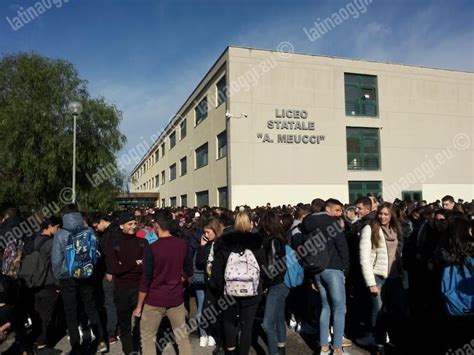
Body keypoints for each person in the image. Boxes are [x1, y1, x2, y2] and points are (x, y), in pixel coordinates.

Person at [134, 210, 193, 355]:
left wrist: (139, 306)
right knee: (182, 338)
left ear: (156, 226)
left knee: (148, 339)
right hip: (176, 298)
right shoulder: (182, 244)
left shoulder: (152, 248)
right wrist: (179, 280)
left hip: (154, 299)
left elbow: (145, 279)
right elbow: (188, 270)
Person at [51, 204, 107, 354]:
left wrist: (58, 278)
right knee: (91, 307)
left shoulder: (60, 234)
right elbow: (96, 254)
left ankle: (76, 345)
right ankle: (101, 340)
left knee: (70, 312)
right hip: (87, 275)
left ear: (63, 217)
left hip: (67, 277)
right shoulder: (89, 230)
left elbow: (56, 260)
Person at [209, 212, 266, 355]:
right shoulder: (257, 244)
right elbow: (265, 269)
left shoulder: (224, 243)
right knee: (247, 325)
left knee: (228, 322)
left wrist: (221, 286)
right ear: (250, 224)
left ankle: (230, 351)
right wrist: (262, 285)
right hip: (252, 290)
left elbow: (216, 270)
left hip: (229, 290)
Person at [301, 199, 349, 355]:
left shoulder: (309, 222)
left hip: (317, 269)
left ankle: (323, 347)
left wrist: (310, 276)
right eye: (337, 210)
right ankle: (337, 348)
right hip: (334, 269)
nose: (340, 214)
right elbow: (342, 247)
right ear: (328, 209)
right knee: (339, 308)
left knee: (326, 307)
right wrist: (345, 270)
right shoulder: (332, 224)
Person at [358, 202, 404, 352]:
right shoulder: (370, 229)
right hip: (378, 277)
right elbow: (364, 258)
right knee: (378, 311)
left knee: (393, 310)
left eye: (386, 214)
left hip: (395, 277)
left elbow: (398, 252)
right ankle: (377, 342)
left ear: (392, 215)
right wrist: (371, 282)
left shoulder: (395, 229)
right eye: (380, 213)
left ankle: (386, 337)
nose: (383, 217)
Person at [106, 212, 145, 354]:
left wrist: (125, 265)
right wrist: (135, 263)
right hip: (121, 290)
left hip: (139, 290)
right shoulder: (114, 244)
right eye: (130, 224)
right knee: (125, 326)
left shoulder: (142, 242)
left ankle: (140, 349)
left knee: (141, 324)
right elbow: (115, 269)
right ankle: (129, 351)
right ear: (121, 225)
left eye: (135, 223)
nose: (133, 226)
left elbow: (146, 266)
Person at [259, 211, 288, 355]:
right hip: (282, 283)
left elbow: (272, 266)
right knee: (279, 318)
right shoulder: (281, 239)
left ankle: (274, 352)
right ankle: (281, 347)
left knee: (267, 323)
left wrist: (263, 276)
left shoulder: (271, 241)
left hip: (275, 284)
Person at [196, 218, 224, 353]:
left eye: (208, 232)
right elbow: (200, 262)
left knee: (220, 312)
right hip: (209, 283)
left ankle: (219, 339)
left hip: (220, 284)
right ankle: (212, 334)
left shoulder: (221, 244)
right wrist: (202, 246)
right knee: (209, 311)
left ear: (215, 230)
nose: (206, 235)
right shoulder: (207, 244)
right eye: (204, 232)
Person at [33, 217, 60, 354]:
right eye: (57, 227)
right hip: (49, 283)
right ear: (50, 226)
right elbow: (56, 265)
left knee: (38, 314)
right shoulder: (51, 243)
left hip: (34, 283)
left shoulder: (35, 240)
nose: (58, 230)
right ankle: (42, 345)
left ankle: (37, 341)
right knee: (46, 316)